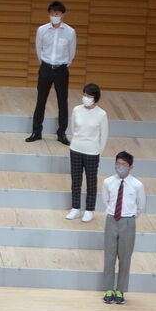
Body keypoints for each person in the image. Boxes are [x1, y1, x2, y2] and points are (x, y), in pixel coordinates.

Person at [28, 0, 76, 144]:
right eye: (53, 13)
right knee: (41, 101)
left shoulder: (70, 32)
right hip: (46, 68)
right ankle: (36, 132)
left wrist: (62, 64)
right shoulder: (42, 30)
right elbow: (39, 49)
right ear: (49, 14)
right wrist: (45, 63)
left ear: (63, 15)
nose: (55, 16)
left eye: (58, 13)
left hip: (61, 69)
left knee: (62, 102)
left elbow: (71, 53)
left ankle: (61, 133)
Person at [101, 151, 145, 304]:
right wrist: (113, 213)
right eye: (118, 164)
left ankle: (120, 290)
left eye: (124, 164)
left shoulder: (137, 185)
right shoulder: (108, 182)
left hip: (128, 221)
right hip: (111, 219)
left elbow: (141, 206)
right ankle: (108, 289)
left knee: (125, 257)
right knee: (109, 256)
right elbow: (106, 200)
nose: (120, 167)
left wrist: (129, 217)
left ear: (130, 167)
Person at [66, 83, 108, 222]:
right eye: (84, 95)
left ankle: (89, 210)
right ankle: (75, 208)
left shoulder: (101, 114)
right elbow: (74, 128)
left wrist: (98, 152)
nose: (86, 98)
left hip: (92, 152)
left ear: (95, 97)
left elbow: (104, 136)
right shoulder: (76, 110)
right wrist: (77, 141)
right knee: (76, 180)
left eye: (89, 96)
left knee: (91, 182)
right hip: (76, 149)